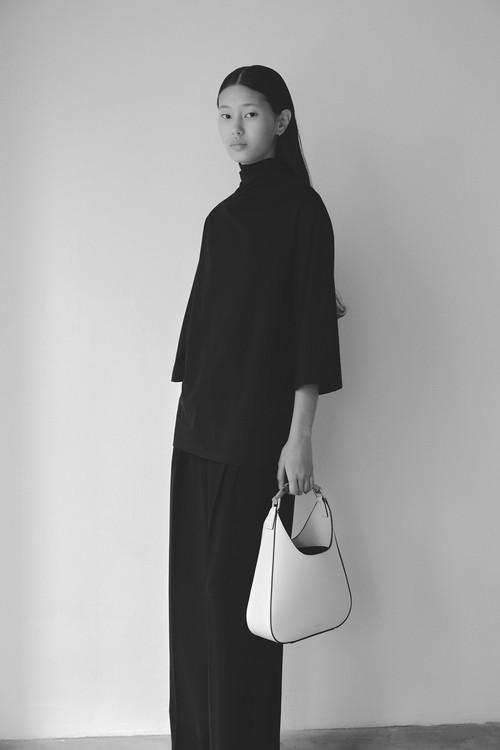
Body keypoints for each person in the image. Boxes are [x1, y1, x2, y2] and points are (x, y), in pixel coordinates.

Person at [168, 64, 345, 750]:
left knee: (241, 613)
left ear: (281, 121)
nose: (235, 128)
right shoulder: (219, 221)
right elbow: (206, 335)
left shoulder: (305, 211)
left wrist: (299, 437)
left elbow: (308, 334)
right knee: (194, 609)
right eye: (224, 114)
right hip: (197, 436)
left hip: (256, 441)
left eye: (249, 113)